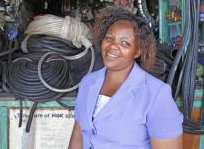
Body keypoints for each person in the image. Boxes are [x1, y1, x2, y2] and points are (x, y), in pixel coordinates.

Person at [68, 8, 183, 149]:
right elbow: (78, 137)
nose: (113, 46)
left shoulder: (156, 95)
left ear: (138, 51)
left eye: (125, 43)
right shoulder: (88, 82)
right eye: (109, 38)